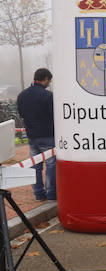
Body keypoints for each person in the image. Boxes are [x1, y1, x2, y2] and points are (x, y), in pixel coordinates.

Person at [16, 68, 56, 201]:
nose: (49, 83)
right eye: (48, 81)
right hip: (47, 135)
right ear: (44, 79)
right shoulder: (47, 96)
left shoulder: (22, 95)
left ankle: (39, 194)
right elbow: (54, 116)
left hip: (32, 136)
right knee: (51, 164)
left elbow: (21, 115)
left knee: (35, 165)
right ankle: (51, 195)